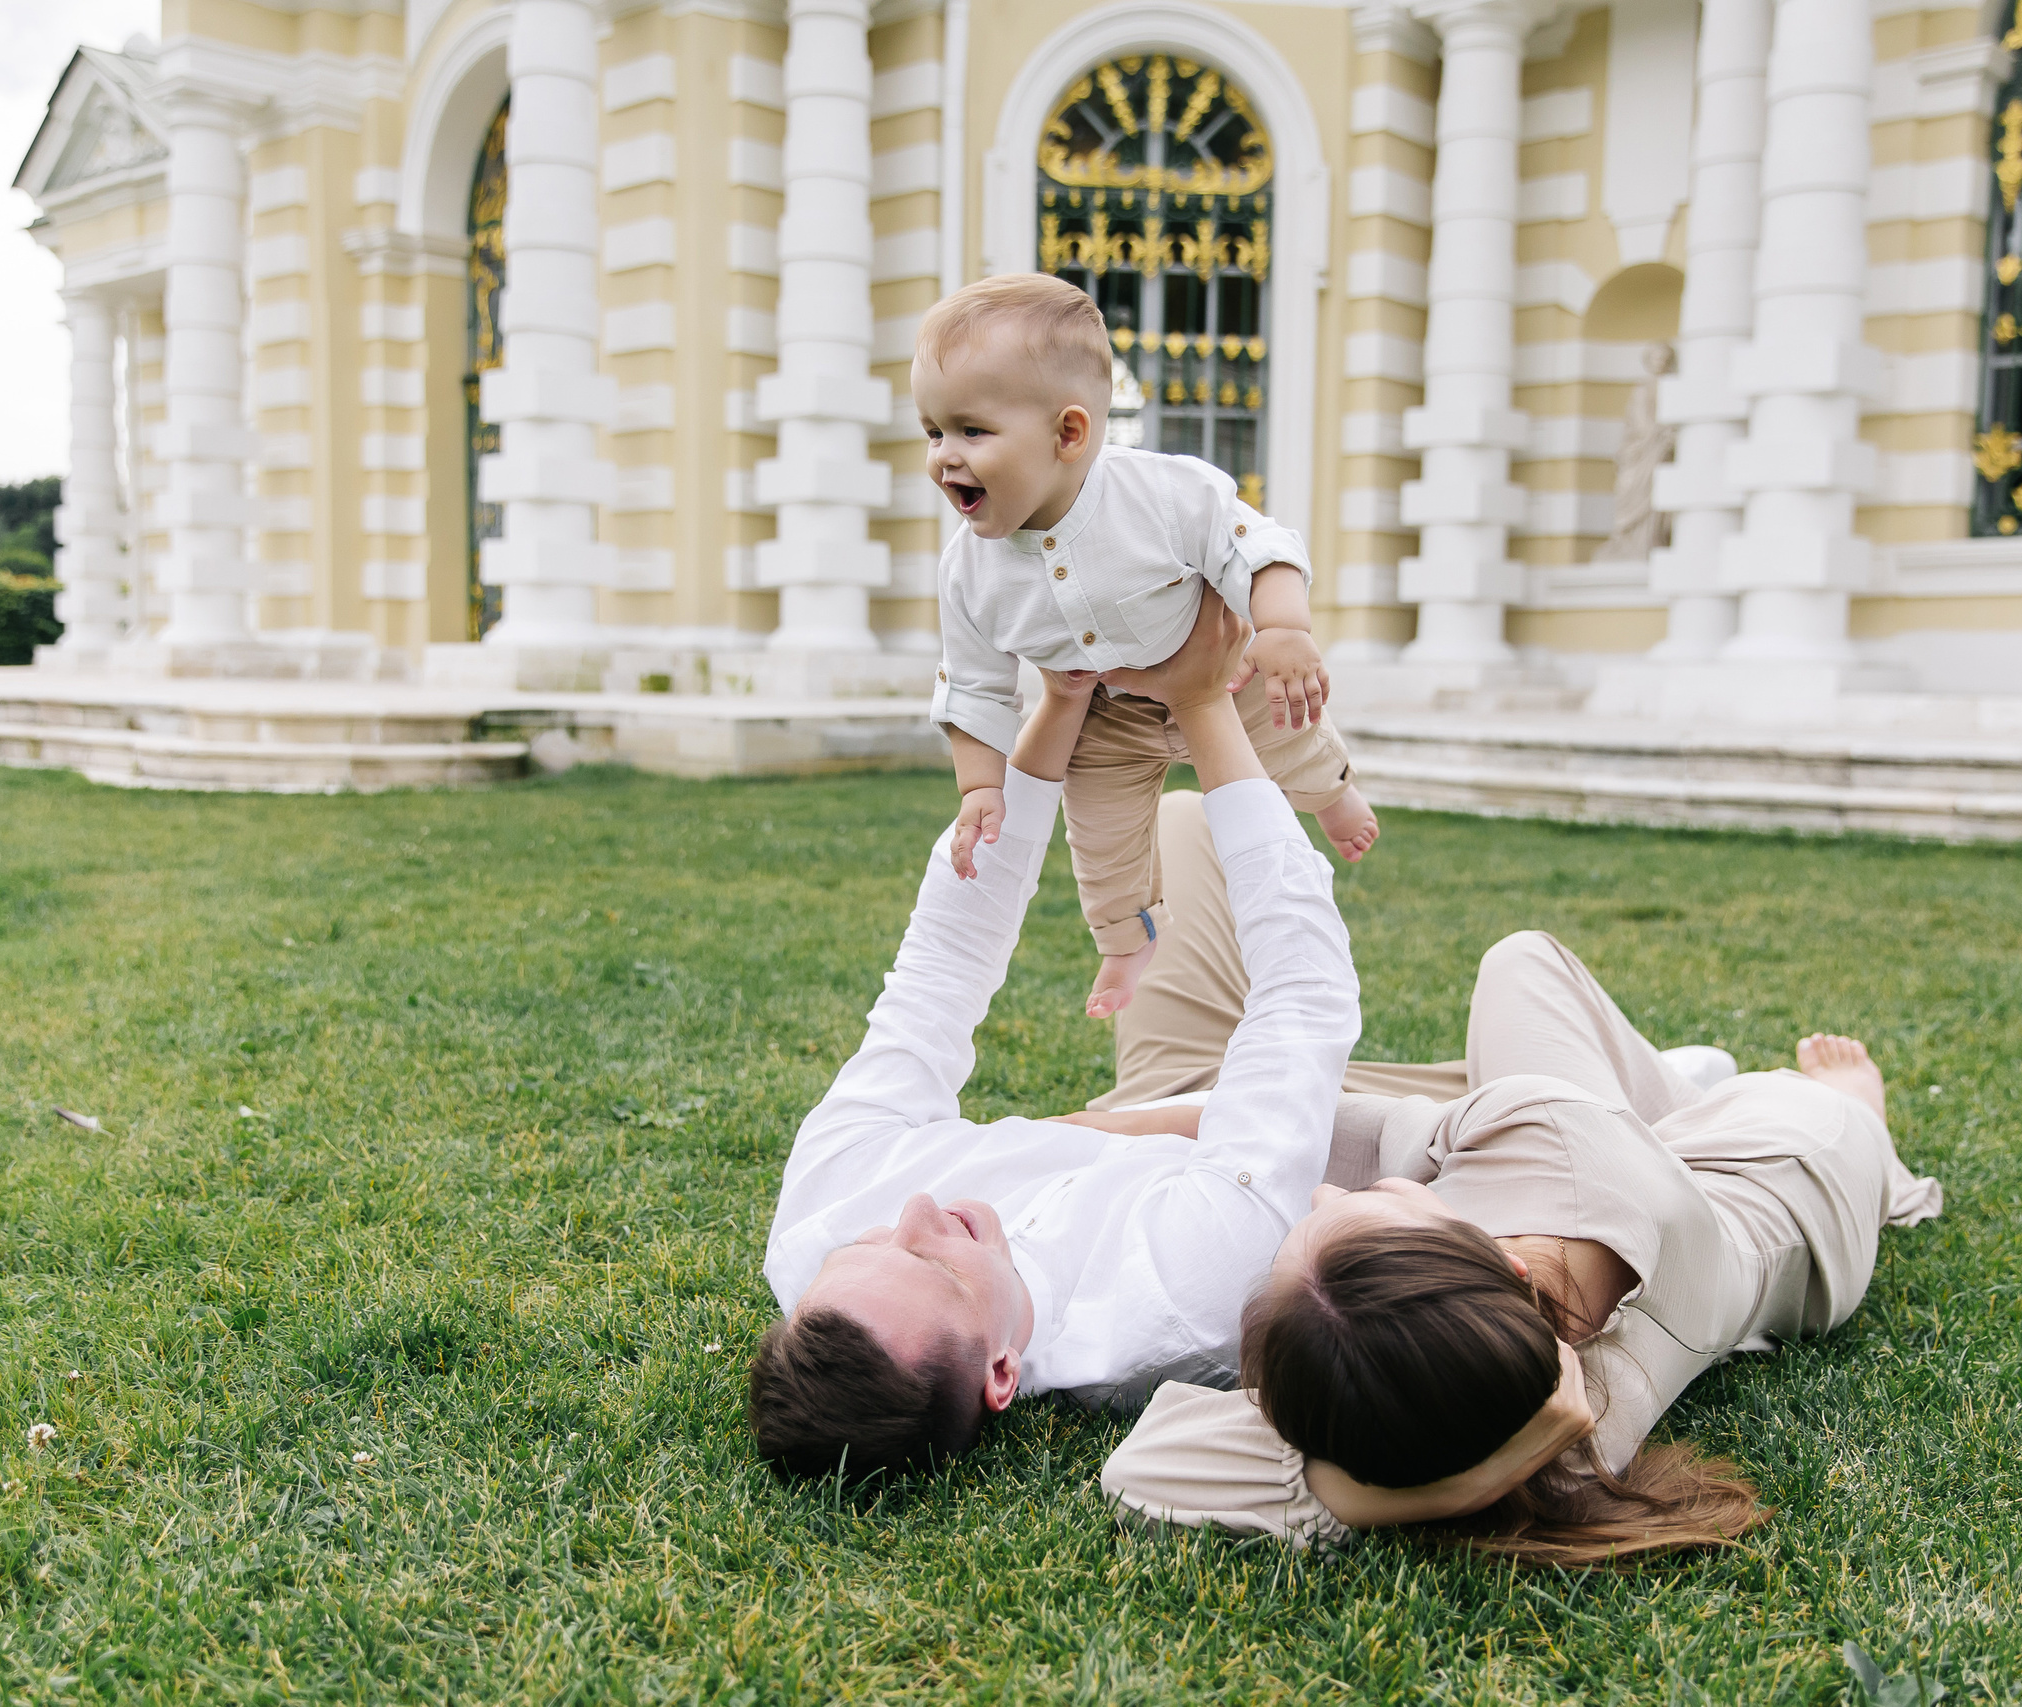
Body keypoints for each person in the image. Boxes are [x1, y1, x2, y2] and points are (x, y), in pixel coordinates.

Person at [1092, 793, 1945, 1564]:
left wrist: (1438, 1488)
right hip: (1789, 1177)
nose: (1322, 1195)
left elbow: (1144, 1463)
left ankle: (1664, 1091)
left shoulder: (1525, 1420)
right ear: (1501, 1261)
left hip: (1635, 1169)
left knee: (1500, 993)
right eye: (1374, 1205)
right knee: (1540, 972)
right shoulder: (1580, 1404)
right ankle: (1822, 1107)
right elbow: (1283, 1127)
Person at [750, 593, 1361, 1479]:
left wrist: (1060, 707)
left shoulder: (819, 1217)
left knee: (1184, 822)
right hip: (1300, 1147)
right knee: (1524, 1010)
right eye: (942, 1266)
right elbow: (1303, 1004)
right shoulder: (1176, 1293)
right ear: (1002, 1371)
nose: (917, 1212)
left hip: (1153, 1101)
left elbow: (936, 974)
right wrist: (1202, 703)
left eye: (872, 1244)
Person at [915, 272, 1380, 1020]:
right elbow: (973, 690)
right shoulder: (968, 570)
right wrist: (980, 787)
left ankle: (1333, 794)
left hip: (1224, 672)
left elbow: (1256, 546)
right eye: (933, 432)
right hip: (1104, 718)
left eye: (971, 431)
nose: (944, 456)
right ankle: (1125, 940)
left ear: (1069, 434)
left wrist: (1283, 626)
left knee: (1291, 738)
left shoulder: (1162, 495)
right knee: (1099, 841)